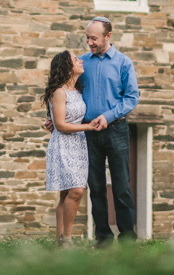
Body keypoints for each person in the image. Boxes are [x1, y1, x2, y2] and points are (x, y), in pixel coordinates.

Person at [46, 16, 140, 246]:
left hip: (115, 130)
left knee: (121, 185)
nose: (89, 42)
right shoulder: (82, 63)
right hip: (86, 134)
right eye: (87, 37)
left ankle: (127, 238)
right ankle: (103, 238)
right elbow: (65, 92)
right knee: (95, 187)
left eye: (94, 38)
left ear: (108, 36)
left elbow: (131, 98)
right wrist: (52, 117)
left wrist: (107, 117)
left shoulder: (123, 63)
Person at [42, 50, 103, 246]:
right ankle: (67, 238)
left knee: (67, 193)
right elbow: (60, 125)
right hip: (64, 145)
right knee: (76, 191)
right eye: (75, 60)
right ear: (67, 67)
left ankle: (60, 241)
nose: (80, 61)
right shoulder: (59, 91)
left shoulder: (77, 90)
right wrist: (89, 126)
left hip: (79, 144)